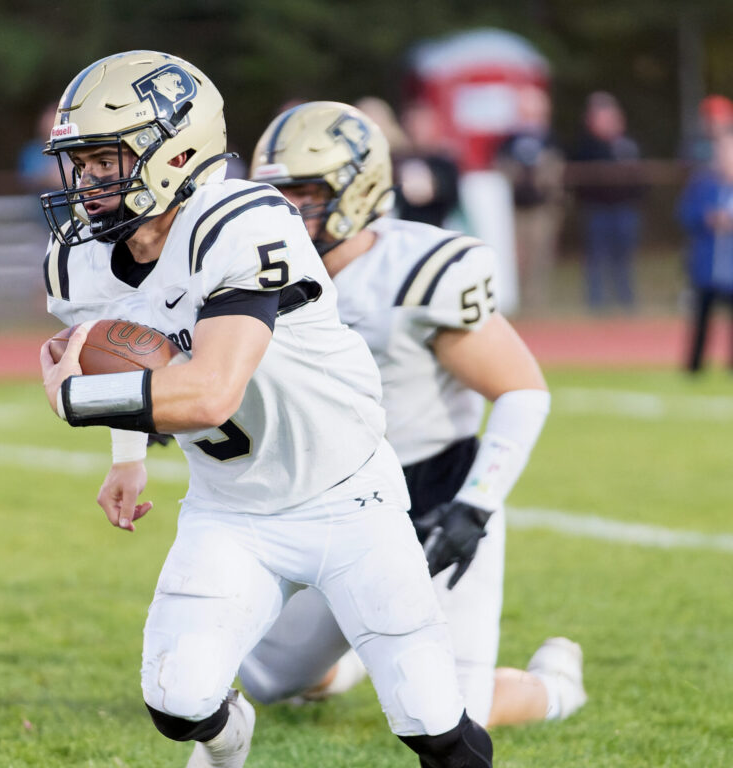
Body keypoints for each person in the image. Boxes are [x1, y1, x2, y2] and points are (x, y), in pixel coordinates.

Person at [37, 51, 493, 768]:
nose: (88, 183)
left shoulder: (242, 223)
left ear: (175, 152)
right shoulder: (80, 260)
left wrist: (78, 398)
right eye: (82, 164)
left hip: (348, 495)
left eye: (105, 161)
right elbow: (128, 342)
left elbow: (210, 390)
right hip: (232, 508)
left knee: (430, 722)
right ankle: (230, 742)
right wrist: (127, 458)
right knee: (177, 699)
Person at [240, 101, 587, 729]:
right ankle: (352, 659)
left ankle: (557, 684)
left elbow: (522, 390)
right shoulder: (254, 274)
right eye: (275, 196)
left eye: (305, 193)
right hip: (328, 500)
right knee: (262, 679)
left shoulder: (415, 274)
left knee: (452, 713)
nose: (287, 212)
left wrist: (476, 505)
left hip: (432, 497)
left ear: (358, 189)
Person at [569, 91, 644, 311]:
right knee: (596, 258)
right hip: (597, 209)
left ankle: (626, 302)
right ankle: (596, 304)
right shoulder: (586, 146)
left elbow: (641, 176)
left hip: (624, 209)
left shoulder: (627, 145)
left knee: (624, 259)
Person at [494, 86, 565, 313]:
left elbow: (559, 169)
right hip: (514, 208)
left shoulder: (550, 138)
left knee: (539, 256)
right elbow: (500, 166)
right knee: (515, 257)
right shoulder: (509, 139)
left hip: (541, 207)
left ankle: (536, 303)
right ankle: (515, 301)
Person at [678, 128, 733, 372]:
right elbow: (684, 214)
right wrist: (706, 218)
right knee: (701, 318)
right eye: (722, 150)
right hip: (707, 265)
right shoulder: (703, 182)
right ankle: (694, 367)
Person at [394, 100, 462, 228]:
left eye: (420, 125)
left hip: (436, 227)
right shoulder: (397, 159)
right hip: (404, 228)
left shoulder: (444, 161)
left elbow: (452, 197)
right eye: (411, 124)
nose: (415, 130)